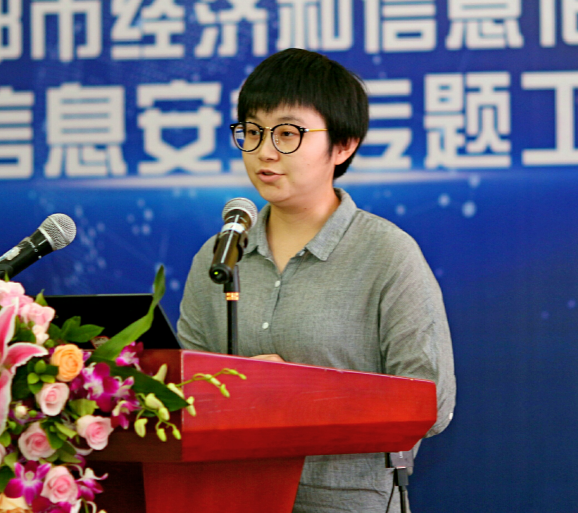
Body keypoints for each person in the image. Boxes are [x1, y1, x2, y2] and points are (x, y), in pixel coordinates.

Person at [177, 48, 456, 513]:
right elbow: (183, 389)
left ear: (344, 145)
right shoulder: (220, 255)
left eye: (287, 133)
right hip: (231, 497)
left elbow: (430, 403)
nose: (265, 151)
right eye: (252, 132)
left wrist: (296, 396)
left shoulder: (387, 254)